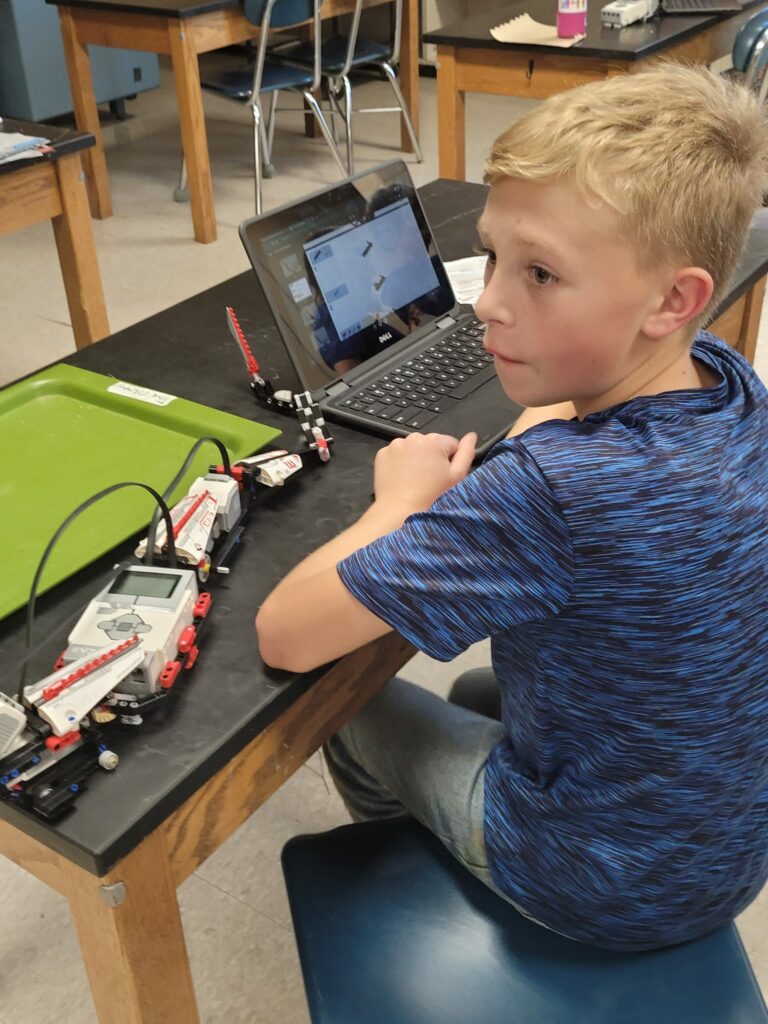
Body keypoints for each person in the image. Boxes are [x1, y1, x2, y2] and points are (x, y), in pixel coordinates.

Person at [255, 63, 768, 951]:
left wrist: (401, 505)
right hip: (719, 848)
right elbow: (568, 430)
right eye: (493, 255)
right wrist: (547, 382)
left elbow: (285, 634)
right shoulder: (731, 382)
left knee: (345, 705)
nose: (488, 303)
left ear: (673, 299)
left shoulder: (552, 494)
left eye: (540, 275)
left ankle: (416, 883)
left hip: (603, 887)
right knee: (474, 685)